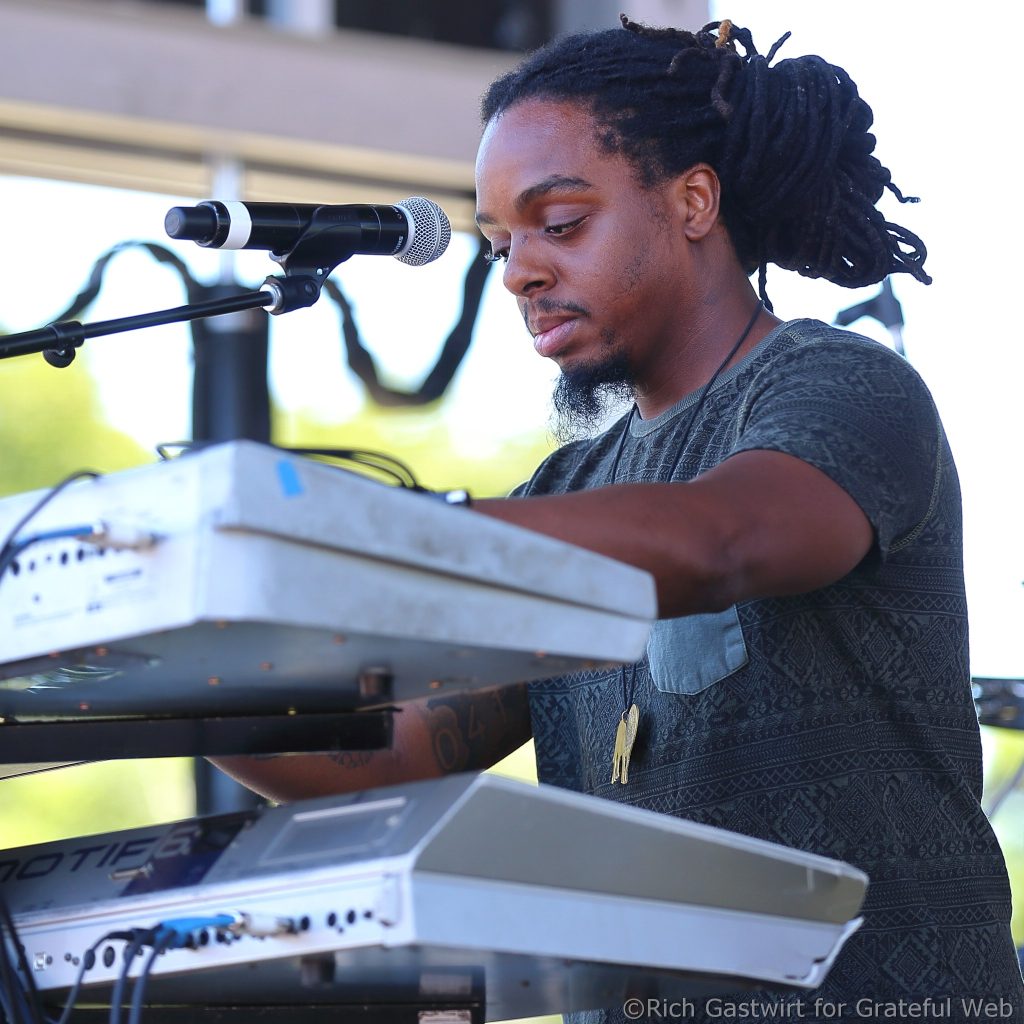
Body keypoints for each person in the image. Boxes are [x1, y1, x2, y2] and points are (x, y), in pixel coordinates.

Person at [214, 16, 1024, 1022]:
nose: (519, 271)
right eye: (500, 242)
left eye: (559, 223)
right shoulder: (563, 491)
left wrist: (364, 538)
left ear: (692, 201)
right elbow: (392, 755)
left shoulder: (840, 385)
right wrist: (161, 673)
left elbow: (720, 540)